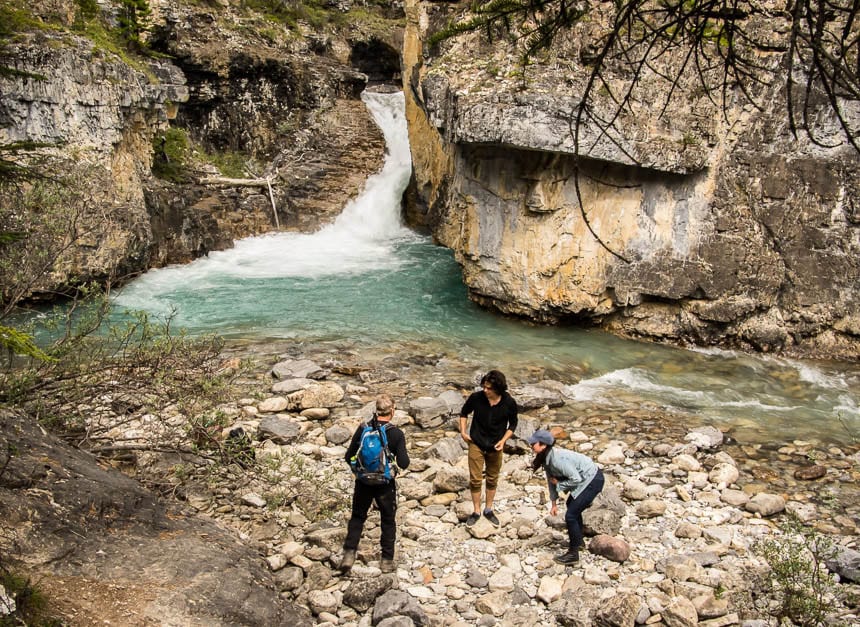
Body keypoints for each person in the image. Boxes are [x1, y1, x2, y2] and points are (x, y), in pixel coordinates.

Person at [340, 394, 410, 574]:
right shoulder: (395, 433)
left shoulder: (363, 428)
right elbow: (404, 463)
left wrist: (360, 471)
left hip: (363, 482)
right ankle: (386, 560)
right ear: (392, 411)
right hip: (385, 484)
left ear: (375, 410)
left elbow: (349, 456)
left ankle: (349, 555)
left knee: (357, 517)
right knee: (387, 520)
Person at [528, 429, 604, 565]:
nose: (531, 445)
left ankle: (573, 554)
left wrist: (561, 484)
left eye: (533, 443)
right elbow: (551, 481)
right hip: (585, 479)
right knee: (571, 506)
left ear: (543, 445)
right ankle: (579, 541)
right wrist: (553, 503)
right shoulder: (546, 458)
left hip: (593, 479)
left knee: (570, 515)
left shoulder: (557, 460)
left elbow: (576, 478)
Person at [459, 369, 518, 527]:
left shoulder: (509, 403)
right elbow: (464, 413)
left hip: (496, 445)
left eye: (488, 388)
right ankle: (476, 510)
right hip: (476, 443)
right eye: (484, 387)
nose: (485, 390)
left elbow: (513, 423)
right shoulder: (476, 398)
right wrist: (463, 432)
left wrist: (504, 440)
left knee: (492, 478)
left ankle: (489, 509)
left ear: (498, 388)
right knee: (475, 479)